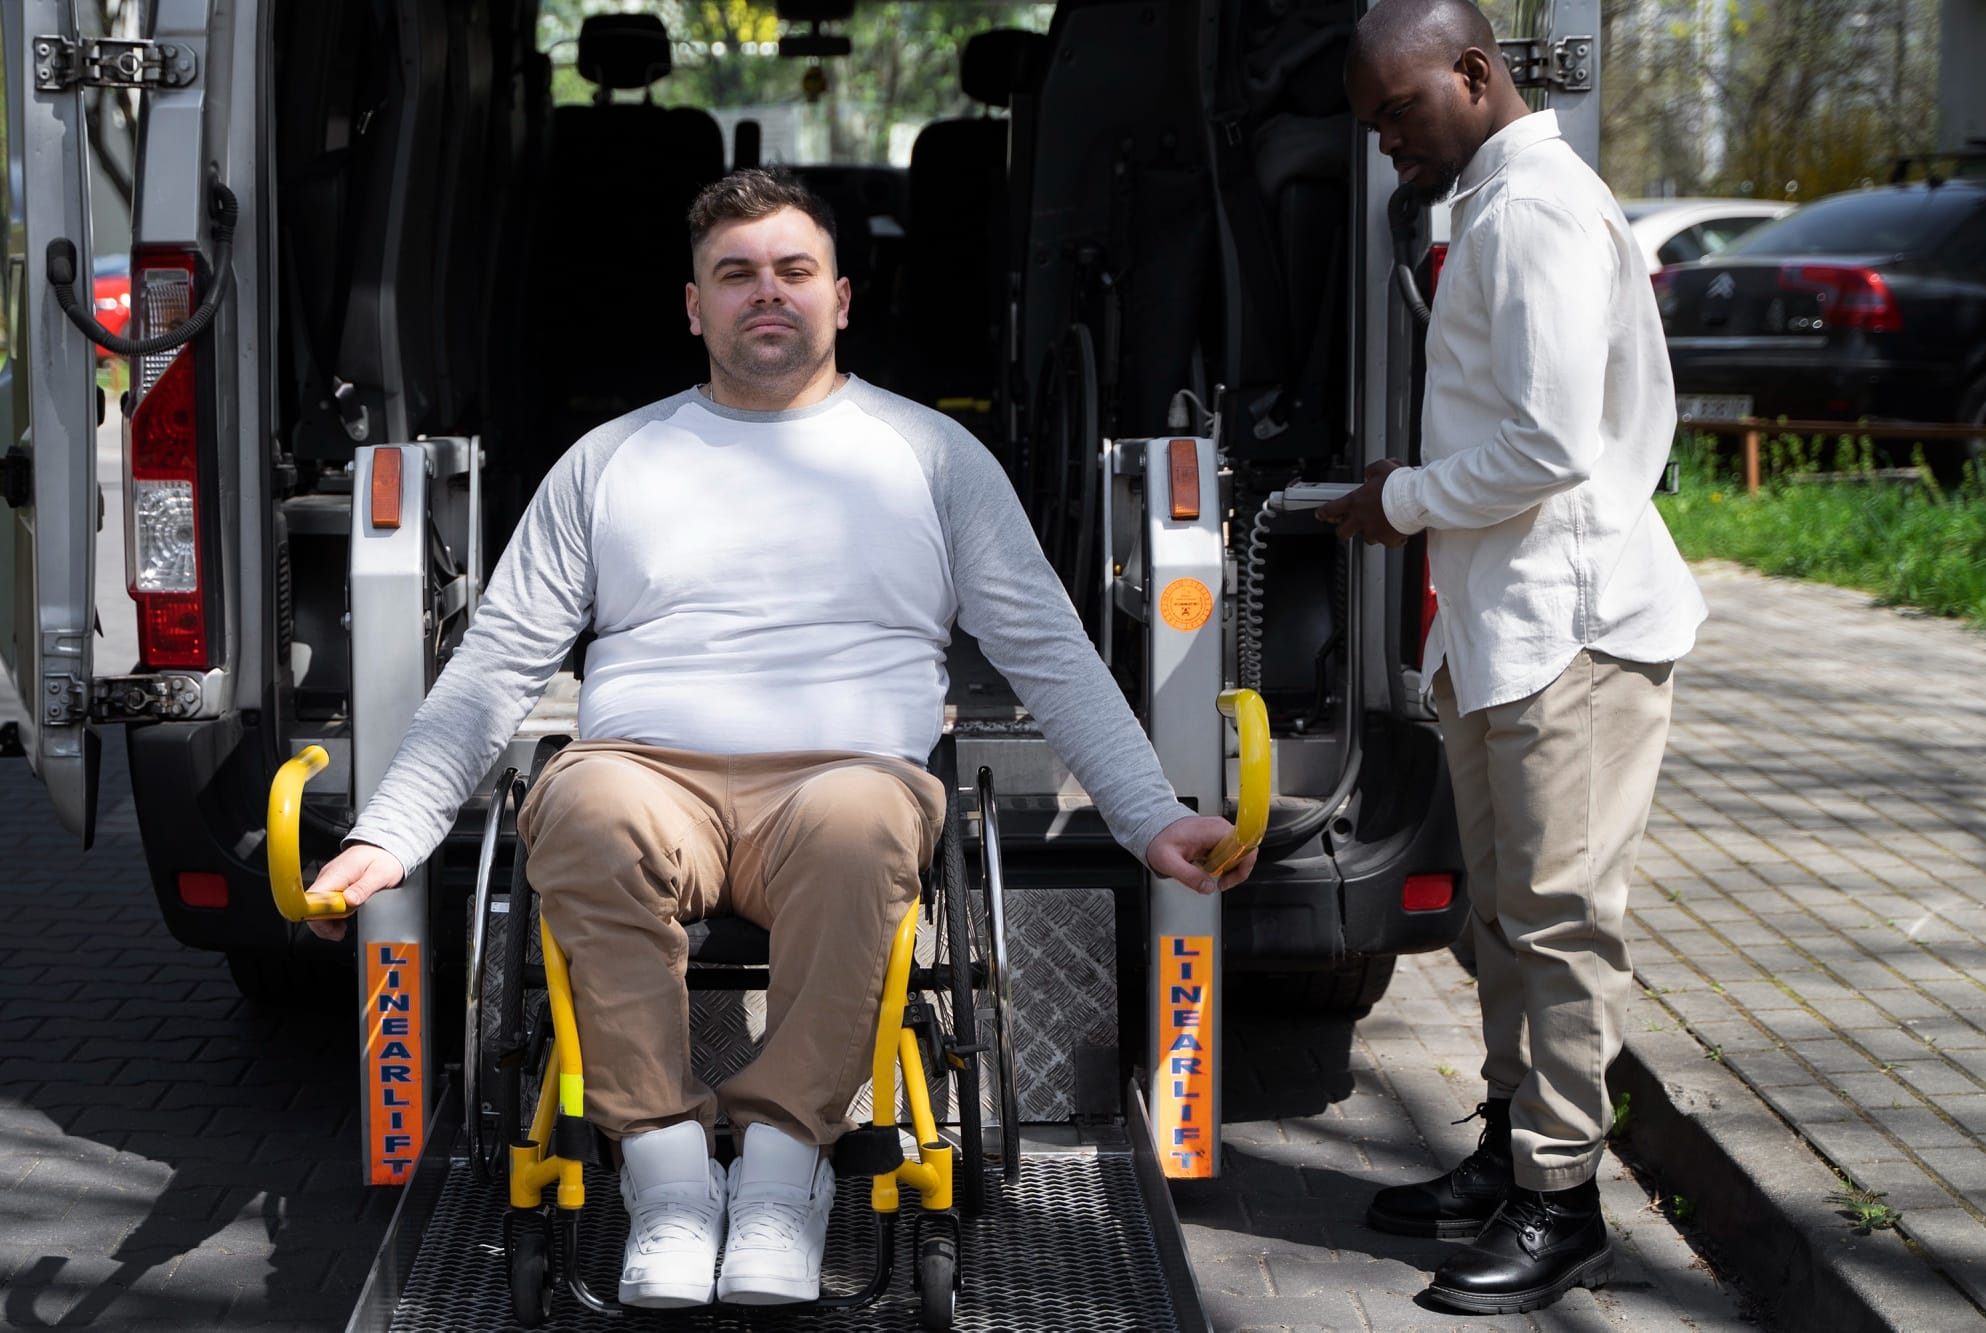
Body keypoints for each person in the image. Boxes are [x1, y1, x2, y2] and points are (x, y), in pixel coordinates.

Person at [298, 168, 1254, 1309]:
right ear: (692, 306)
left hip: (847, 779)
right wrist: (390, 833)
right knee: (581, 804)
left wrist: (1148, 814)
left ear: (839, 299)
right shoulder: (609, 460)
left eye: (794, 271)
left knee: (860, 821)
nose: (767, 293)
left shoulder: (932, 456)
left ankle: (779, 1174)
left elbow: (1048, 649)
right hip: (645, 776)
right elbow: (496, 662)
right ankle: (665, 1177)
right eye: (735, 274)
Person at [1322, 0, 1706, 1315]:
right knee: (1500, 917)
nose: (1386, 145)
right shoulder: (1491, 201)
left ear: (1475, 74)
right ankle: (1508, 1152)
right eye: (1373, 124)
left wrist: (1401, 498)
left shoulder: (1535, 207)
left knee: (1557, 923)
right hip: (1507, 625)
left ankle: (1561, 1202)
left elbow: (1549, 443)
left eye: (1397, 112)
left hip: (1573, 628)